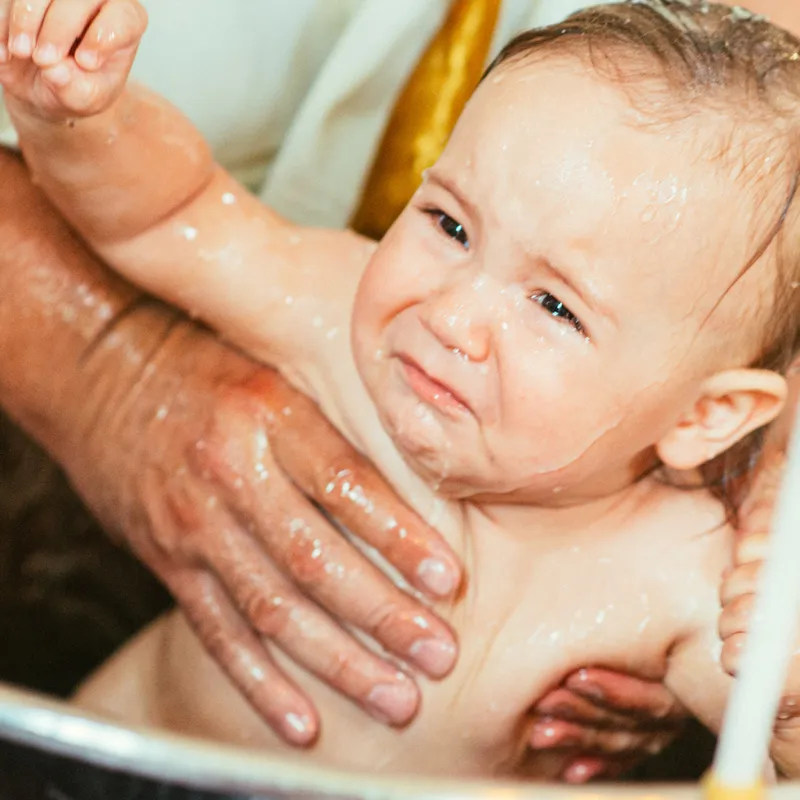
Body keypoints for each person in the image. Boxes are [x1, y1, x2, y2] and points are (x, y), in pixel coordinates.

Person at [8, 0, 800, 781]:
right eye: (451, 225)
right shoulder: (339, 331)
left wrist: (788, 688)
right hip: (93, 772)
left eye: (555, 306)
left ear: (708, 416)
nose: (453, 316)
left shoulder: (678, 576)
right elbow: (172, 214)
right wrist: (80, 118)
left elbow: (773, 752)